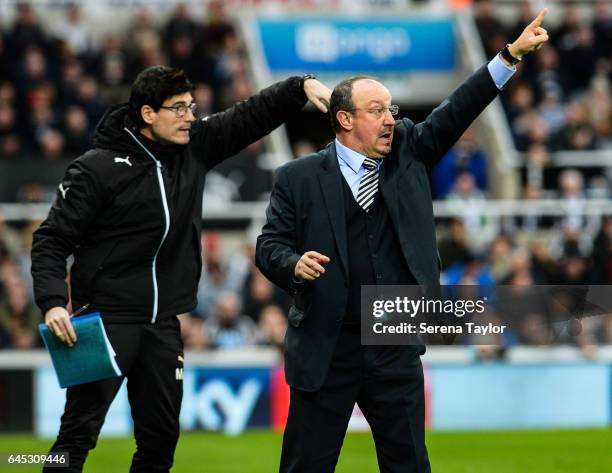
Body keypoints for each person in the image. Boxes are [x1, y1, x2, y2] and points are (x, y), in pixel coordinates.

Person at [256, 10, 549, 473]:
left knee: (410, 464)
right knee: (304, 466)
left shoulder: (410, 149)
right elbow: (268, 245)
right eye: (377, 111)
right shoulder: (298, 178)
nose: (391, 119)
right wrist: (292, 264)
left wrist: (509, 56)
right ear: (345, 119)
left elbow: (459, 107)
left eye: (392, 109)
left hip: (395, 336)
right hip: (327, 346)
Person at [30, 65, 331, 472]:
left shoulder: (195, 147)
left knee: (160, 443)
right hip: (101, 321)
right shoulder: (95, 168)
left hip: (163, 325)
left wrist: (300, 85)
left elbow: (250, 114)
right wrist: (52, 303)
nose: (191, 116)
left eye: (192, 106)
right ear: (148, 114)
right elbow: (51, 240)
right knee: (76, 437)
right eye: (179, 108)